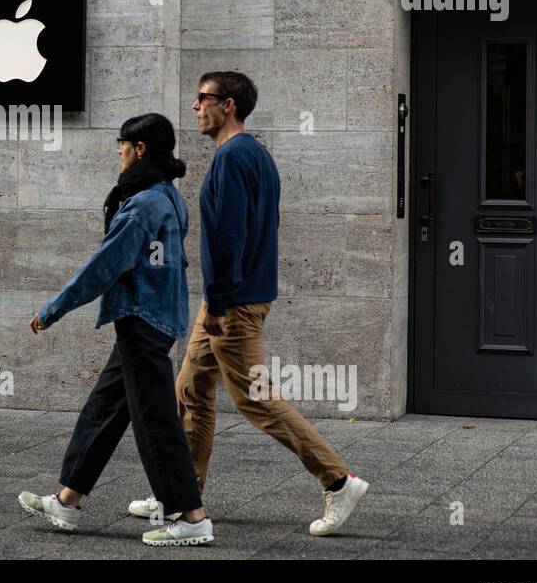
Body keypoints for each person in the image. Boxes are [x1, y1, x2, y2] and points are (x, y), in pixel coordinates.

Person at [128, 71, 369, 536]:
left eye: (203, 98)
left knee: (258, 401)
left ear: (229, 105)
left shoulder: (232, 158)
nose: (196, 107)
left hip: (231, 304)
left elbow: (230, 235)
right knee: (190, 391)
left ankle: (338, 480)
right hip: (231, 298)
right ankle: (181, 494)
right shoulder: (254, 154)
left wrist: (218, 303)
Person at [18, 114, 214, 547]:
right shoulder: (166, 194)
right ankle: (68, 499)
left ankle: (191, 516)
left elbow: (106, 264)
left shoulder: (145, 204)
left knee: (155, 422)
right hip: (150, 320)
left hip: (144, 321)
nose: (119, 152)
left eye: (121, 145)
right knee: (104, 409)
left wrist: (53, 308)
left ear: (140, 149)